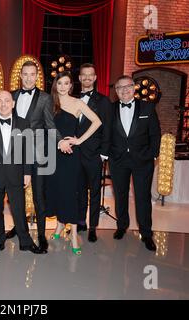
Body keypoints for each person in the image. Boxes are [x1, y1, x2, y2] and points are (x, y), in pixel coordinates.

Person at [6, 61, 72, 252]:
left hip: (38, 154)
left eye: (32, 74)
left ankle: (42, 235)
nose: (28, 78)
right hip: (15, 154)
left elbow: (50, 125)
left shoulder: (44, 98)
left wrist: (60, 141)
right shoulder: (12, 96)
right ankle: (20, 228)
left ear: (37, 76)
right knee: (14, 195)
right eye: (25, 74)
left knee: (39, 196)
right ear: (20, 76)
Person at [0, 91, 47, 258]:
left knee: (18, 208)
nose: (3, 104)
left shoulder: (24, 123)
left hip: (16, 173)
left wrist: (27, 172)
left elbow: (27, 150)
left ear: (13, 103)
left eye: (7, 101)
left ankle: (25, 241)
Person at [46, 71, 101, 255]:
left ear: (71, 85)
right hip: (54, 154)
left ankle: (74, 232)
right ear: (56, 85)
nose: (63, 86)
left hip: (71, 156)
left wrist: (79, 140)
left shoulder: (77, 103)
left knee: (71, 192)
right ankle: (60, 226)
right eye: (59, 83)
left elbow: (97, 121)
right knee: (59, 191)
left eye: (66, 83)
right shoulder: (50, 103)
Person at [109, 75, 161, 251]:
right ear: (116, 91)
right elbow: (107, 134)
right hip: (118, 160)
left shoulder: (148, 106)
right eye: (120, 88)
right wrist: (107, 154)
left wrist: (153, 155)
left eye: (128, 86)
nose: (124, 90)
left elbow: (155, 133)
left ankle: (146, 234)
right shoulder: (110, 109)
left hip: (143, 160)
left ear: (134, 87)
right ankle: (122, 226)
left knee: (142, 197)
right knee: (120, 195)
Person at [76, 63, 113, 242]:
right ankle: (81, 222)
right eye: (84, 75)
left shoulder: (103, 101)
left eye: (91, 75)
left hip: (94, 154)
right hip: (75, 154)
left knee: (95, 192)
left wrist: (103, 154)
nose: (88, 78)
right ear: (80, 78)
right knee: (79, 190)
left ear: (95, 78)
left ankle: (93, 227)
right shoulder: (72, 99)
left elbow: (107, 128)